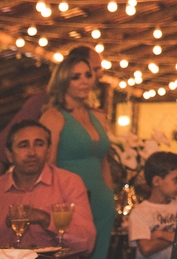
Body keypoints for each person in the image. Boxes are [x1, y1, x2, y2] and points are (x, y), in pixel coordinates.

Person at [0, 120, 96, 253]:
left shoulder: (69, 183)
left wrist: (46, 219)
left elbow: (87, 244)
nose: (32, 152)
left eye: (39, 144)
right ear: (9, 154)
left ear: (48, 150)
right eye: (23, 145)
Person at [39, 52, 116, 259]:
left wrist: (111, 198)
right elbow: (48, 166)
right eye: (76, 77)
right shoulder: (53, 116)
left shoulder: (98, 116)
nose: (84, 81)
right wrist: (56, 207)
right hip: (70, 203)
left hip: (102, 201)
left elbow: (104, 162)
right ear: (63, 81)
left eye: (87, 75)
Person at [0, 46, 101, 177]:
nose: (100, 74)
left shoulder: (91, 111)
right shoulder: (45, 101)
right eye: (95, 69)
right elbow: (3, 145)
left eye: (89, 74)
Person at [128, 152, 177, 259]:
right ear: (157, 181)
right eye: (176, 179)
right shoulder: (140, 212)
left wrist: (161, 234)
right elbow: (146, 248)